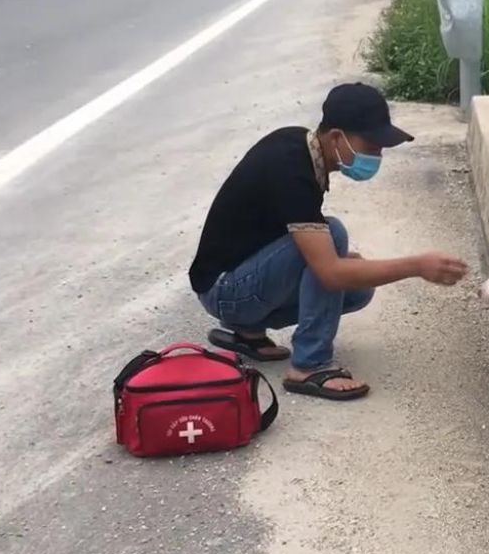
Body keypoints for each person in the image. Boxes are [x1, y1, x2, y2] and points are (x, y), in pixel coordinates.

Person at [188, 83, 468, 401]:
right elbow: (330, 273)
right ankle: (309, 365)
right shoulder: (291, 168)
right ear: (336, 137)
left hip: (234, 282)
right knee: (332, 238)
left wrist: (346, 263)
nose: (377, 156)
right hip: (225, 290)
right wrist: (417, 265)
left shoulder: (300, 147)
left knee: (356, 283)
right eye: (372, 146)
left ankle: (246, 332)